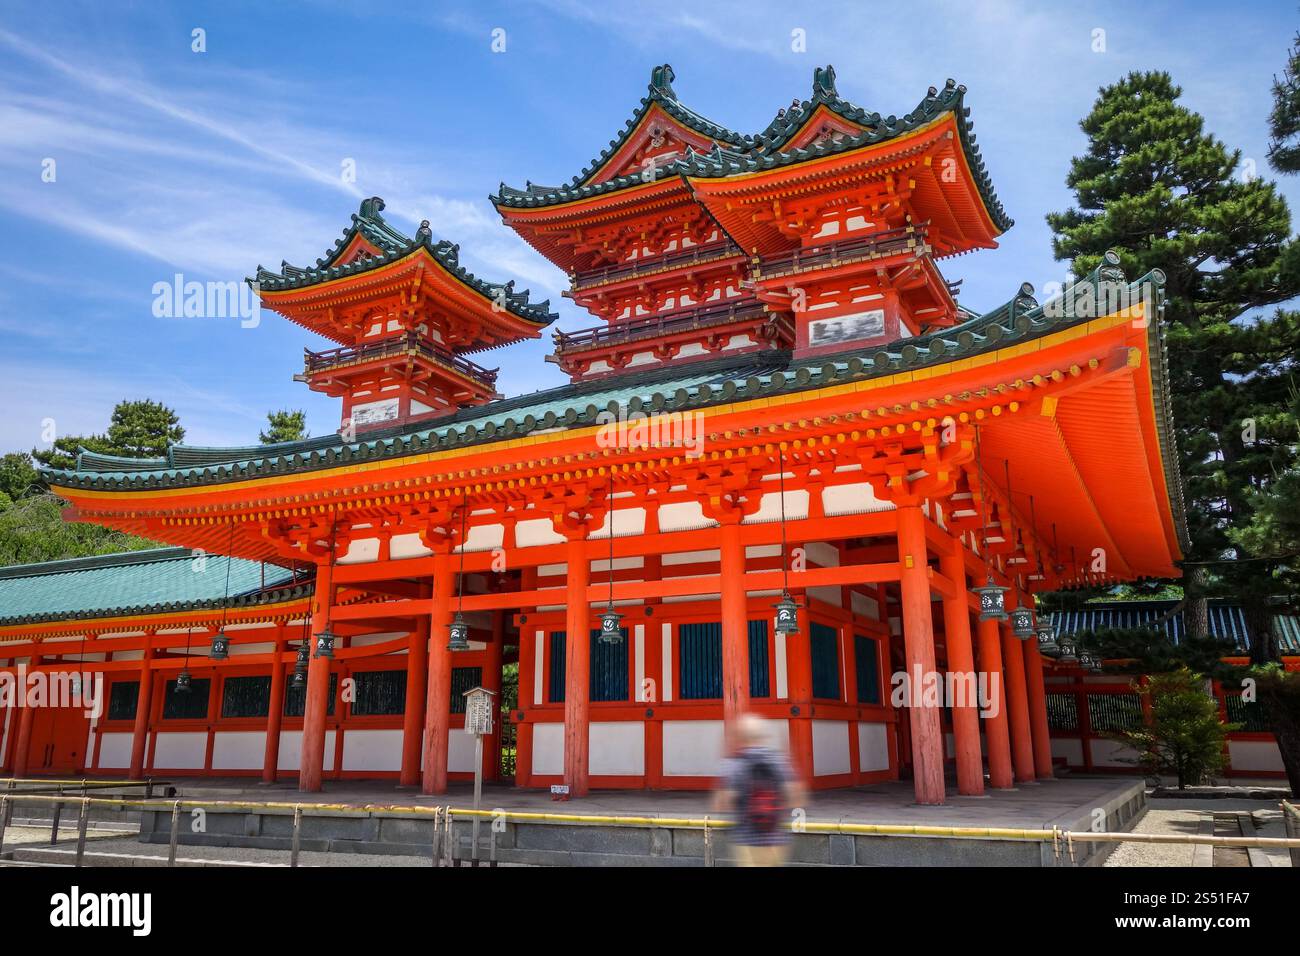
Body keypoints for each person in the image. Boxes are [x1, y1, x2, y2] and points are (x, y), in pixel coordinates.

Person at [713, 713, 804, 866]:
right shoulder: (779, 761)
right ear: (763, 736)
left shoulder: (735, 765)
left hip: (746, 840)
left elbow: (721, 805)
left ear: (741, 737)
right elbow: (797, 798)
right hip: (776, 840)